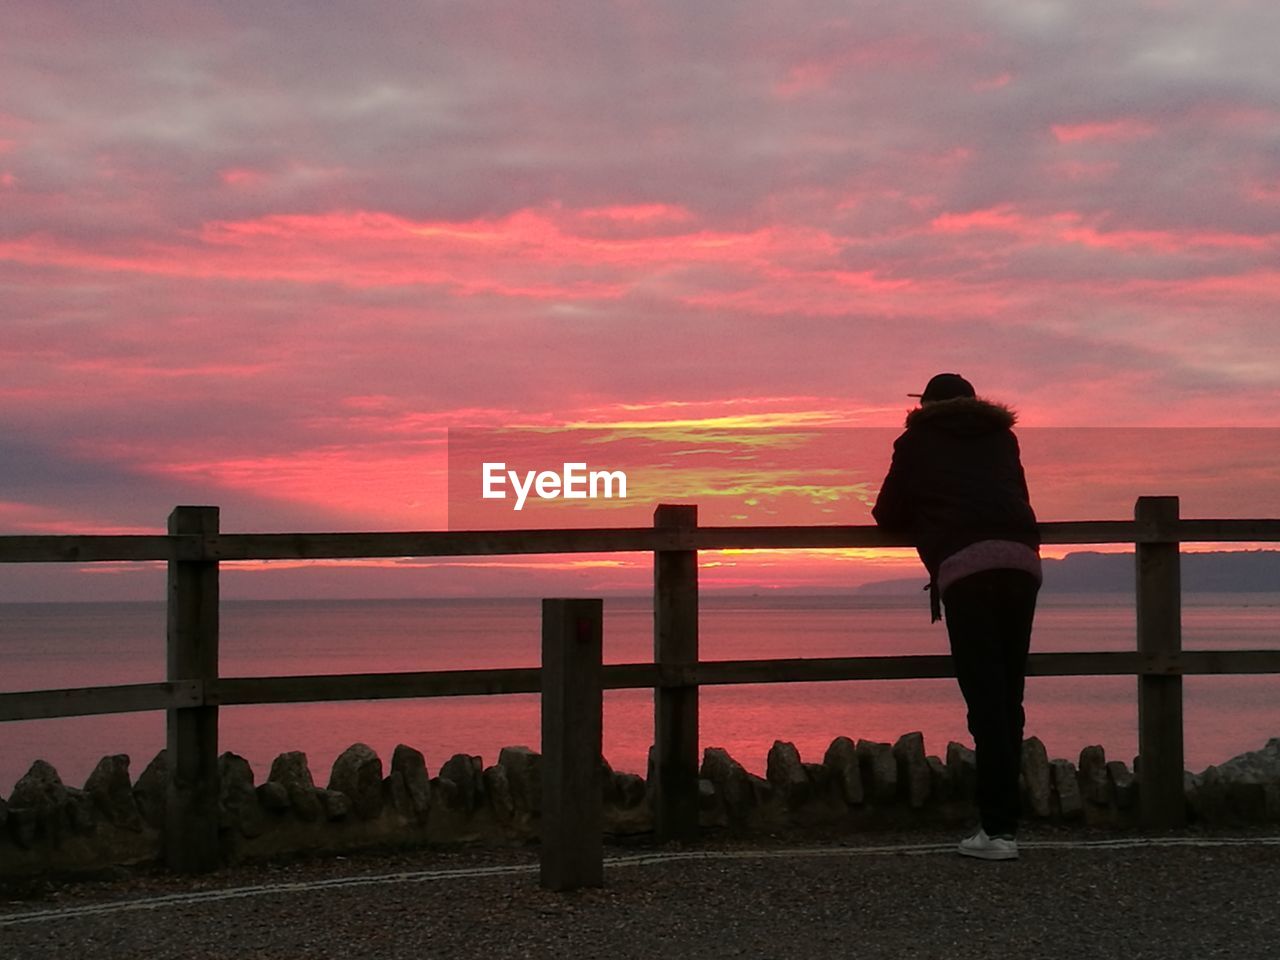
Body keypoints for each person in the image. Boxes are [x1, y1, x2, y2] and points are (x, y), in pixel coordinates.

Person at [871, 373, 1042, 861]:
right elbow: (1017, 498)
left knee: (984, 696)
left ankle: (997, 830)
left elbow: (888, 514)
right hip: (1021, 562)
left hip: (967, 569)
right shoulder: (1003, 438)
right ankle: (1003, 825)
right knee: (1009, 695)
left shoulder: (915, 441)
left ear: (924, 407)